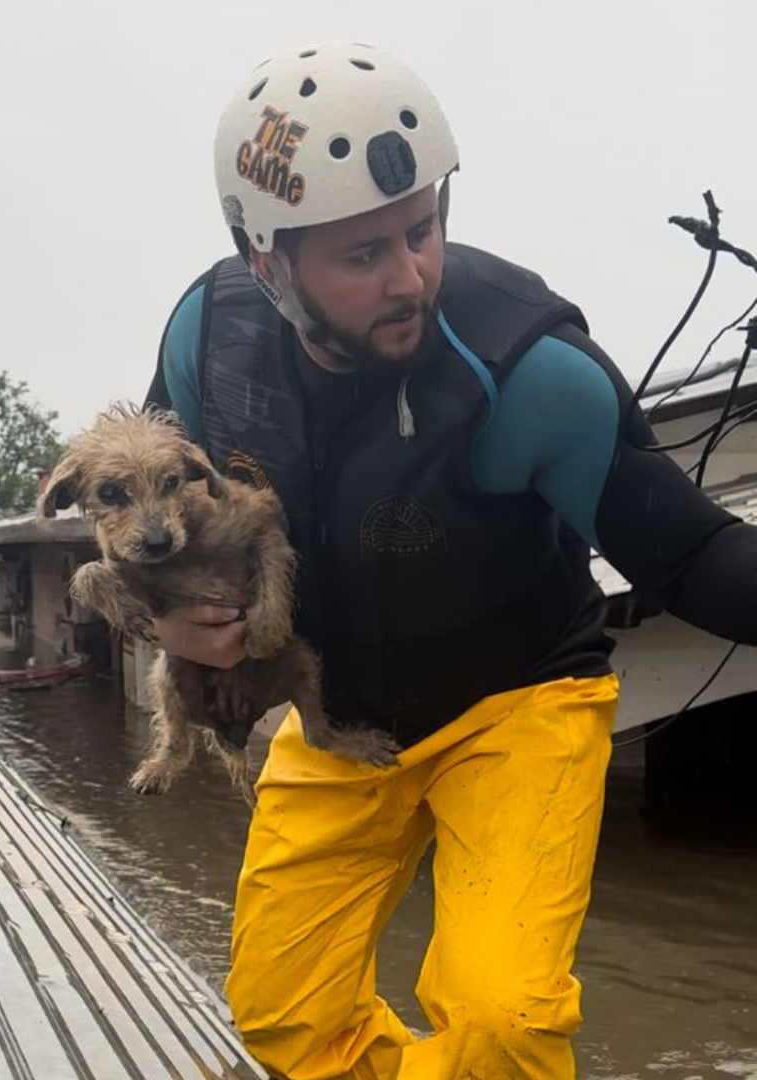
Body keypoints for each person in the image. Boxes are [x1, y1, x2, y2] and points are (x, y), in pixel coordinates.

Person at [144, 41, 757, 1080]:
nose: (410, 277)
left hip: (520, 704)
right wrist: (165, 613)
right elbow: (148, 508)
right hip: (339, 717)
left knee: (501, 1018)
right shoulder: (210, 341)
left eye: (422, 229)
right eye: (362, 254)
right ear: (269, 265)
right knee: (282, 1016)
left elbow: (693, 553)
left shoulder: (528, 371)